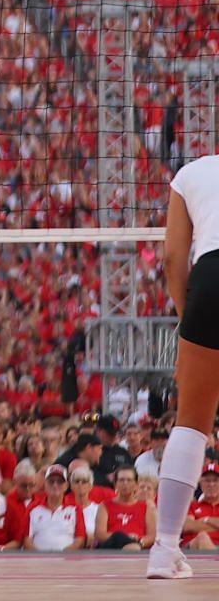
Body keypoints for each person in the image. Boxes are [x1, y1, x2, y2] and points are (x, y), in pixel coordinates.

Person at [147, 148, 219, 579]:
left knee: (191, 422)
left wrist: (187, 317)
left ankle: (165, 548)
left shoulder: (192, 172)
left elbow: (174, 259)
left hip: (211, 278)